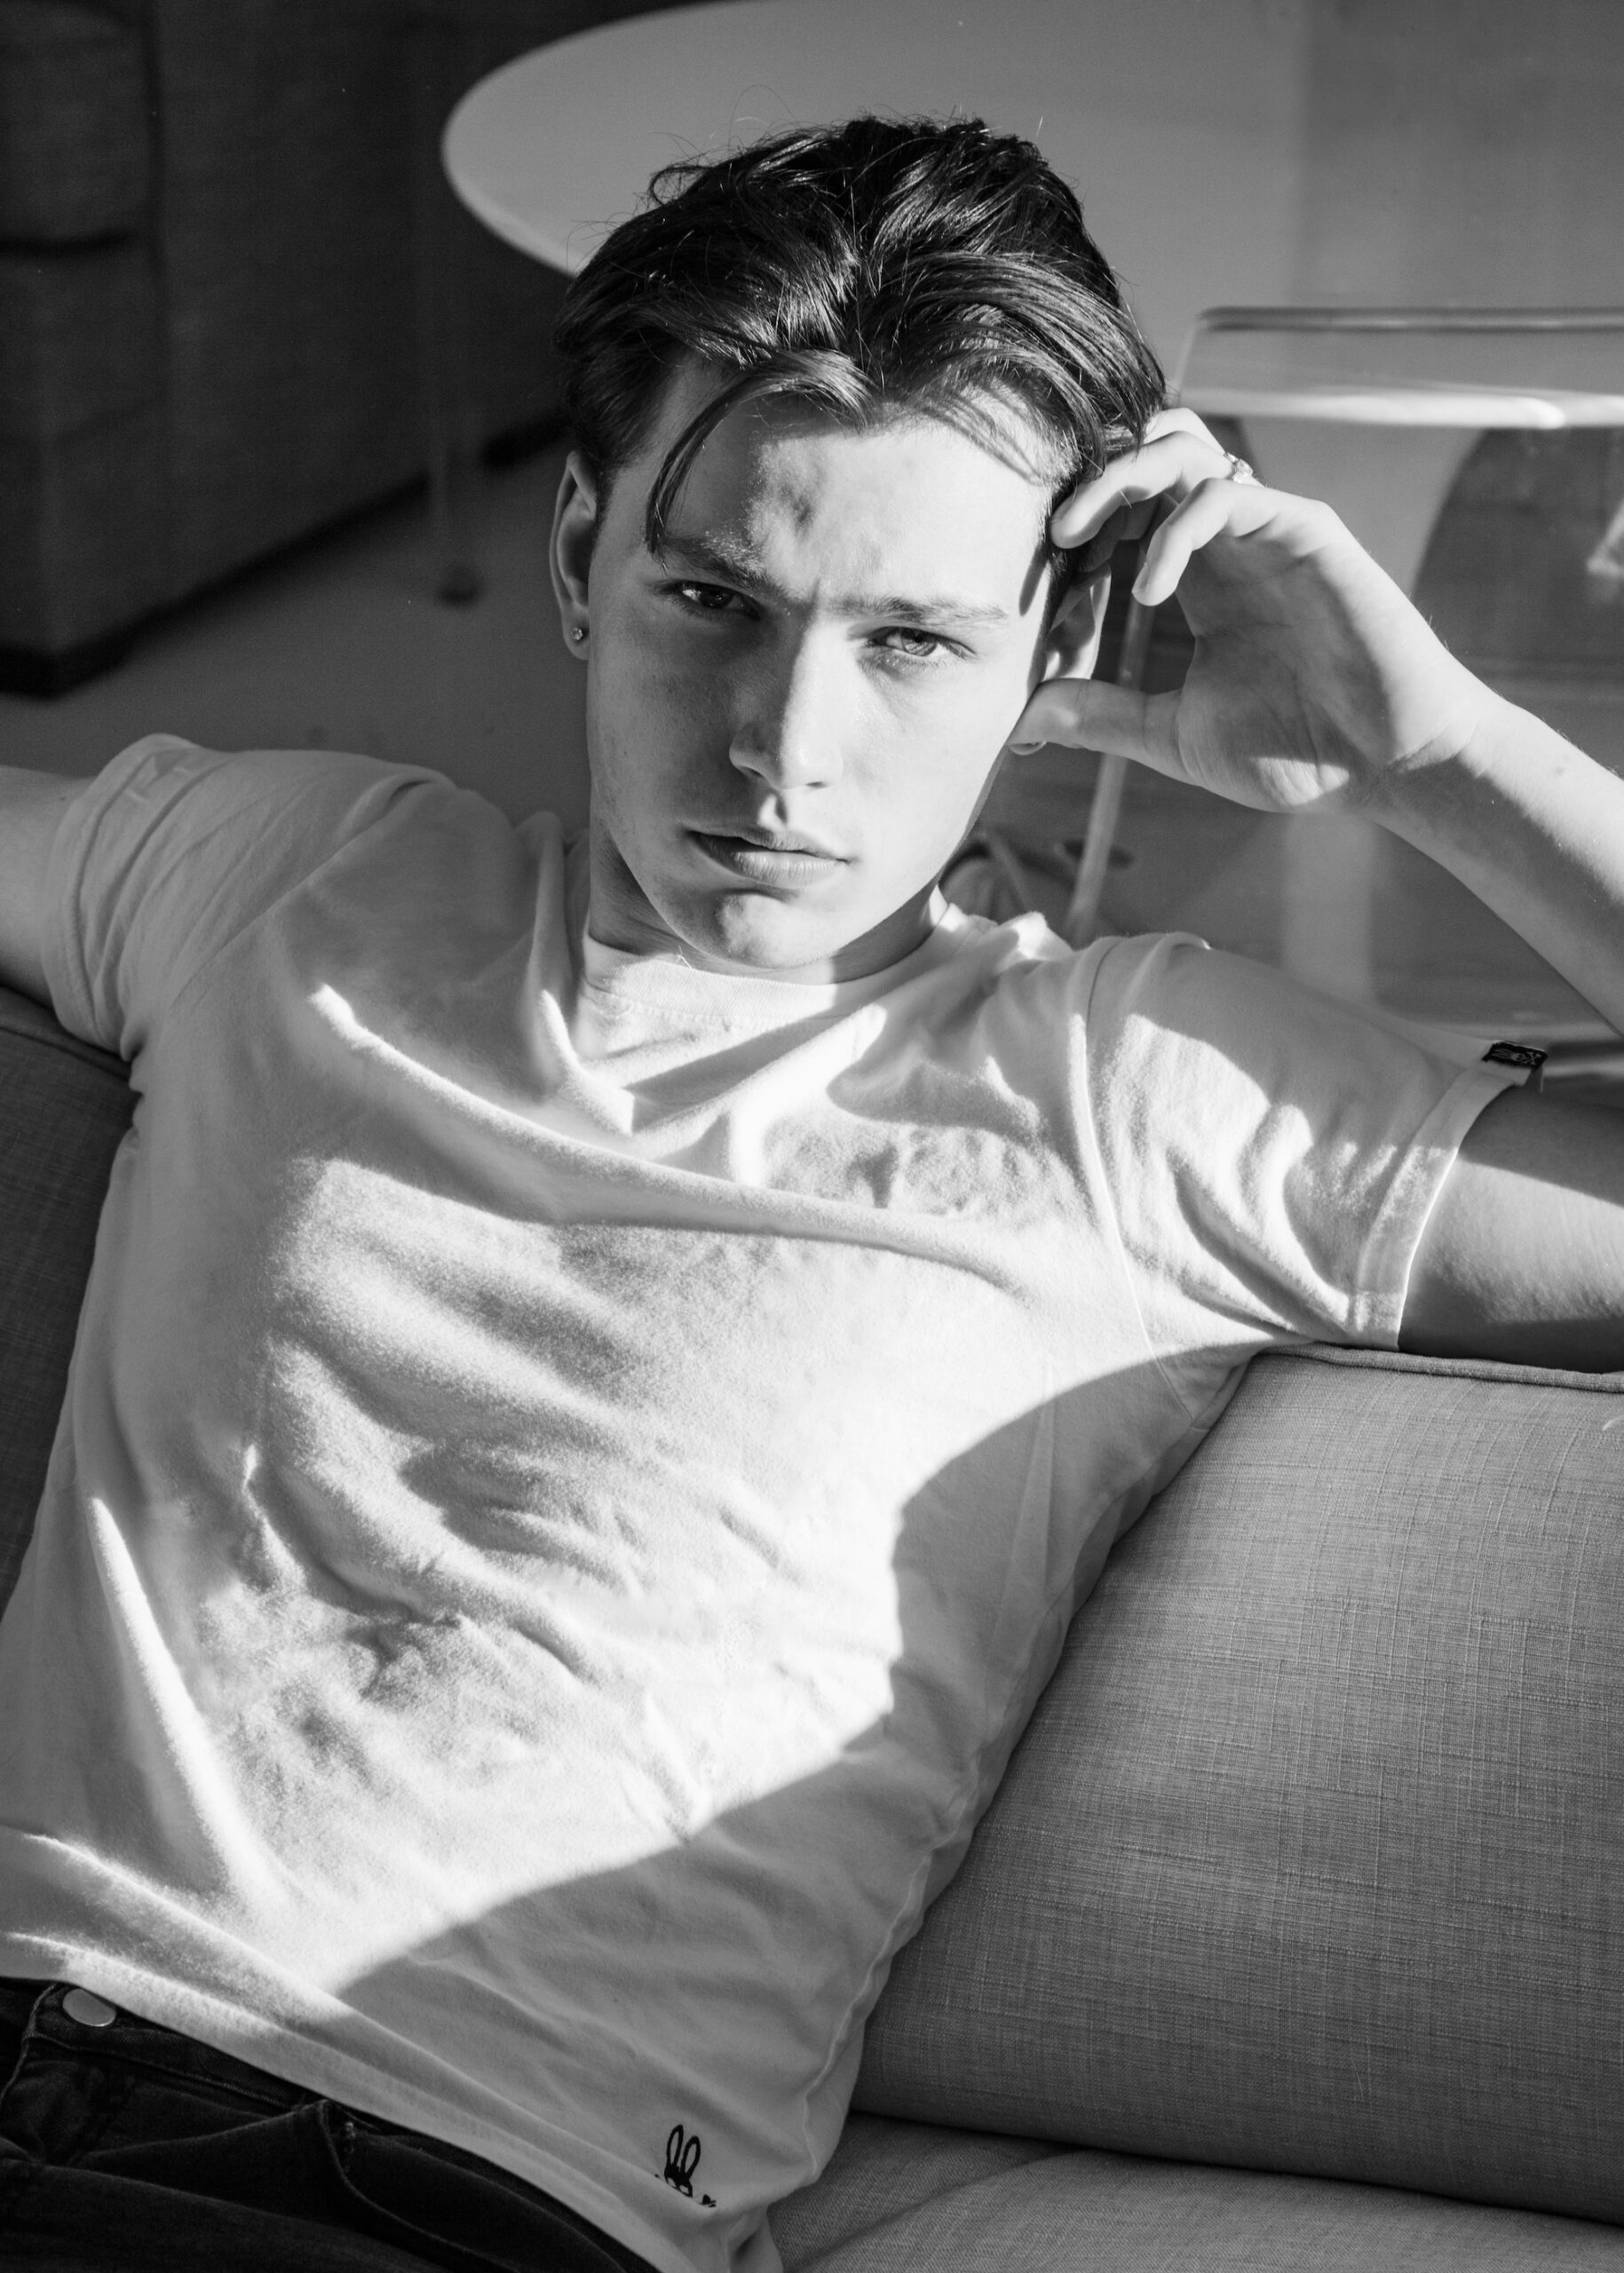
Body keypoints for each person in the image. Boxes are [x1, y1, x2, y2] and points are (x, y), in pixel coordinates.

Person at [0, 114, 1620, 2273]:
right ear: (580, 557)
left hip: (456, 2200)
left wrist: (1437, 754)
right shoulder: (281, 875)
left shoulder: (1135, 1090)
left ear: (1050, 646)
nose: (785, 742)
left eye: (914, 642)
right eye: (713, 601)